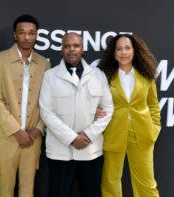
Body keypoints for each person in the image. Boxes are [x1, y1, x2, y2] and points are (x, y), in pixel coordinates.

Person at [39, 32, 113, 197]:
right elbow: (46, 112)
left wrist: (87, 134)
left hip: (90, 151)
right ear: (62, 49)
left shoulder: (98, 75)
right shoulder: (50, 76)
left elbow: (107, 109)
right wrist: (72, 138)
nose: (71, 50)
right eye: (67, 46)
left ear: (83, 49)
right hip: (60, 152)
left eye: (76, 46)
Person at [0, 14, 50, 197]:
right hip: (7, 138)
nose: (27, 37)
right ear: (15, 35)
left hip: (33, 138)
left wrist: (37, 130)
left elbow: (47, 102)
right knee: (5, 190)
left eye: (31, 33)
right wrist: (17, 131)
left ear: (36, 35)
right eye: (22, 33)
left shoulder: (44, 64)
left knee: (27, 190)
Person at [98, 34, 161, 197]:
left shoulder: (147, 75)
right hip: (113, 132)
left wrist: (154, 129)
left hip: (142, 134)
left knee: (146, 183)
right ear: (113, 52)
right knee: (110, 182)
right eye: (119, 49)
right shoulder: (104, 76)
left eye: (127, 48)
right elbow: (96, 102)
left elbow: (153, 105)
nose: (123, 52)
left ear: (135, 51)